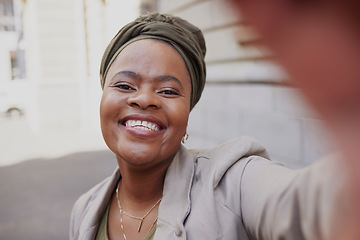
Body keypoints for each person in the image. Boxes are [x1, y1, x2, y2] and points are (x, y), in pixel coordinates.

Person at [70, 12, 346, 240]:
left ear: (187, 112)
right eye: (124, 85)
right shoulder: (85, 211)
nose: (144, 99)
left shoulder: (234, 183)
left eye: (167, 91)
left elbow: (311, 207)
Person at [227, 1, 360, 239]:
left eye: (168, 90)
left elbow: (299, 200)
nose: (144, 100)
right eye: (133, 86)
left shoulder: (228, 177)